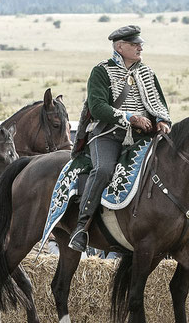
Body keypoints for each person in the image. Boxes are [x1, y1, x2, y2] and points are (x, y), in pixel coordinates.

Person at [69, 25, 171, 252]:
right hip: (108, 135)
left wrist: (163, 121)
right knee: (103, 169)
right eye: (134, 44)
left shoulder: (147, 73)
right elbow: (97, 107)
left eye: (140, 44)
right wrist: (129, 117)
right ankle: (82, 227)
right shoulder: (101, 71)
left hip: (142, 137)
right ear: (119, 47)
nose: (140, 47)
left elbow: (159, 105)